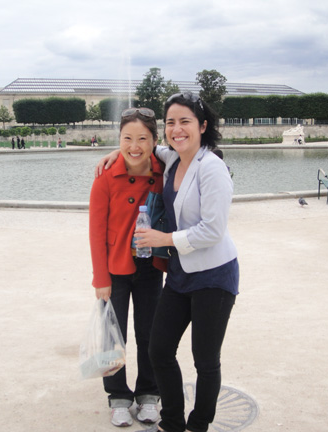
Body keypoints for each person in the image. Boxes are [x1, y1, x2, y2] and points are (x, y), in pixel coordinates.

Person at [97, 92, 239, 432]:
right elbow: (140, 148)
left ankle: (197, 424)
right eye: (171, 122)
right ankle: (171, 421)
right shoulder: (173, 158)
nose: (177, 129)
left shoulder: (212, 168)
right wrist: (117, 152)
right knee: (160, 350)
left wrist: (165, 240)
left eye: (185, 121)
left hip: (214, 277)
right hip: (180, 275)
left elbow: (213, 230)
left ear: (203, 126)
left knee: (205, 361)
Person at [89, 108, 167, 428]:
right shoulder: (105, 177)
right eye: (127, 139)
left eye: (142, 139)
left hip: (151, 266)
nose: (134, 146)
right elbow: (95, 232)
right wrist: (100, 278)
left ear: (154, 141)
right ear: (118, 140)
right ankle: (118, 396)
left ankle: (148, 393)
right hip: (115, 269)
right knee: (113, 335)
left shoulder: (165, 172)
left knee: (149, 333)